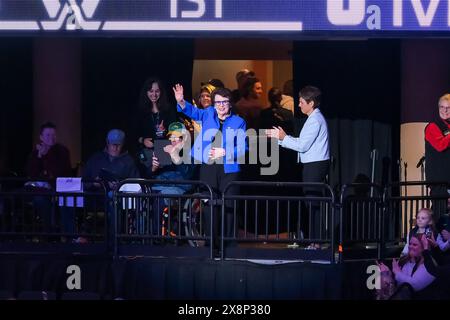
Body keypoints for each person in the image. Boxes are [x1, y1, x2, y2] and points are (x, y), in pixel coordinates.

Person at [173, 84, 247, 247]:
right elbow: (193, 112)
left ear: (230, 103)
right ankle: (211, 245)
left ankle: (228, 245)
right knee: (209, 205)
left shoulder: (239, 121)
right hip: (209, 166)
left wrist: (225, 152)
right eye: (218, 102)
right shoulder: (208, 114)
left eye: (224, 102)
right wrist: (181, 101)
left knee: (229, 206)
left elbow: (243, 148)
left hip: (229, 169)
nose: (221, 105)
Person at [266, 86, 330, 245]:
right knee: (311, 203)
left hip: (315, 165)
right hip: (312, 164)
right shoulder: (313, 118)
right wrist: (281, 138)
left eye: (301, 102)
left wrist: (283, 137)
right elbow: (301, 144)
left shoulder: (315, 120)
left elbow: (302, 146)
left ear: (312, 103)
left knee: (313, 203)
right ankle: (315, 241)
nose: (299, 105)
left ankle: (317, 242)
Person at [83, 129, 140, 239]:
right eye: (113, 144)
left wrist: (121, 186)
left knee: (113, 200)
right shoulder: (96, 159)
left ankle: (114, 239)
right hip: (96, 198)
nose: (115, 148)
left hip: (118, 200)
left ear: (122, 145)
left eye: (118, 145)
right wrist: (95, 183)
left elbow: (135, 183)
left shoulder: (128, 161)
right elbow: (84, 181)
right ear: (107, 143)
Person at [25, 122, 72, 234]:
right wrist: (40, 156)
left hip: (59, 188)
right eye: (48, 135)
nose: (51, 137)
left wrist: (46, 155)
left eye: (53, 134)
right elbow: (31, 173)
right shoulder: (35, 152)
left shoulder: (62, 151)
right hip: (40, 190)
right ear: (41, 137)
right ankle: (46, 234)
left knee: (66, 200)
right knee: (41, 200)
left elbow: (62, 171)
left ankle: (67, 235)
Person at [150, 122, 195, 235]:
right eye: (171, 137)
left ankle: (155, 235)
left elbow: (188, 176)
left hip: (180, 188)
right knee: (142, 194)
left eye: (177, 137)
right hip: (159, 185)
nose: (173, 140)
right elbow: (151, 176)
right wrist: (153, 168)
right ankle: (140, 235)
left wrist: (175, 155)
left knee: (159, 197)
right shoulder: (163, 150)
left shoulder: (191, 153)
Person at [133, 77, 177, 176]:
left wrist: (166, 132)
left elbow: (176, 132)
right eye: (151, 91)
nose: (154, 94)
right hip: (146, 153)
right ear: (146, 92)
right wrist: (143, 140)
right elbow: (133, 134)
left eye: (157, 91)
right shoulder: (141, 110)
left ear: (161, 92)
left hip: (164, 149)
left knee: (163, 181)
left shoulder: (168, 109)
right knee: (147, 177)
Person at [377, 234, 435, 298]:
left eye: (414, 245)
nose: (410, 246)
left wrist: (398, 273)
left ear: (423, 248)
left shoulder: (429, 264)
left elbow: (414, 286)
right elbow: (399, 285)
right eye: (410, 244)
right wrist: (388, 274)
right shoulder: (403, 260)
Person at [424, 93, 450, 219]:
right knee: (441, 216)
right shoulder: (432, 126)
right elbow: (440, 145)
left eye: (448, 107)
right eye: (442, 107)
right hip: (440, 182)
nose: (445, 110)